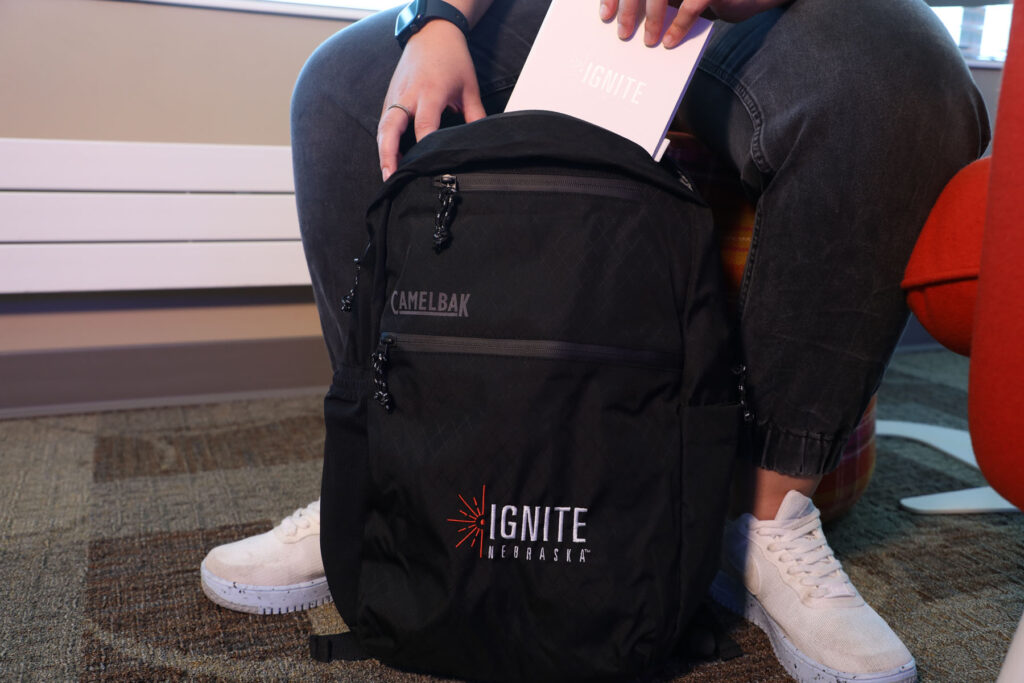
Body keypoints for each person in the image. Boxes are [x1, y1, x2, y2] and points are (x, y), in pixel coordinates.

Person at [200, 1, 990, 680]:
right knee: (344, 86)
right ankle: (382, 480)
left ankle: (762, 518)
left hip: (778, 19)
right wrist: (437, 18)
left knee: (906, 81)